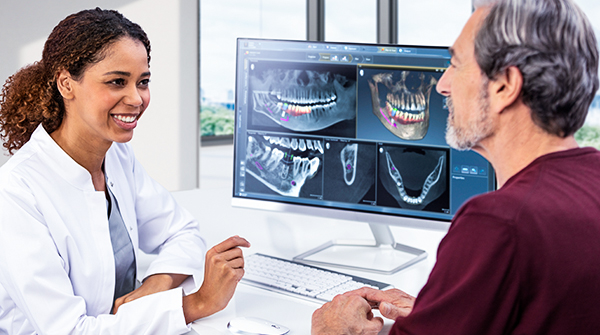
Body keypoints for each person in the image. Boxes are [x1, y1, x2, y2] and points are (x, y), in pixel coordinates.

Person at [312, 0, 600, 334]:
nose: (442, 85)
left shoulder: (499, 222)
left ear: (505, 85)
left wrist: (332, 330)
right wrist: (437, 313)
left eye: (456, 64)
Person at [0, 8, 250, 334]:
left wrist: (154, 288)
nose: (136, 98)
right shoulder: (16, 192)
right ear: (66, 83)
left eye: (143, 82)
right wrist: (197, 303)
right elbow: (70, 330)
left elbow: (182, 231)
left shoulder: (117, 155)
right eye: (117, 81)